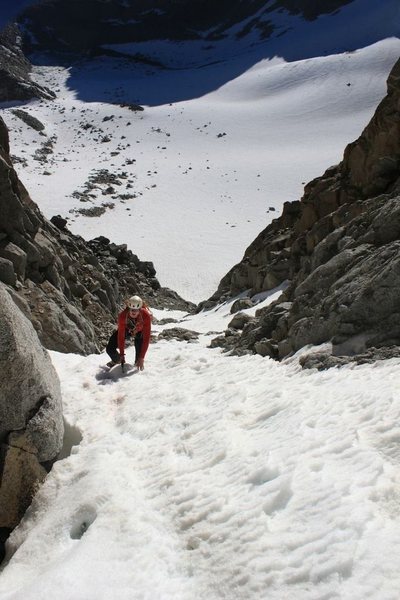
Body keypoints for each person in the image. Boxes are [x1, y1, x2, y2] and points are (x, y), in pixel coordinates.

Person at [106, 295, 151, 370]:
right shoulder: (123, 316)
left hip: (140, 331)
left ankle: (137, 363)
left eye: (136, 310)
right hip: (127, 329)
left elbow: (146, 338)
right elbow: (121, 336)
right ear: (128, 308)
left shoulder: (146, 316)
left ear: (140, 309)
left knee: (138, 362)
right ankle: (117, 360)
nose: (134, 312)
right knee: (110, 348)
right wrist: (121, 355)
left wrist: (141, 357)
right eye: (132, 309)